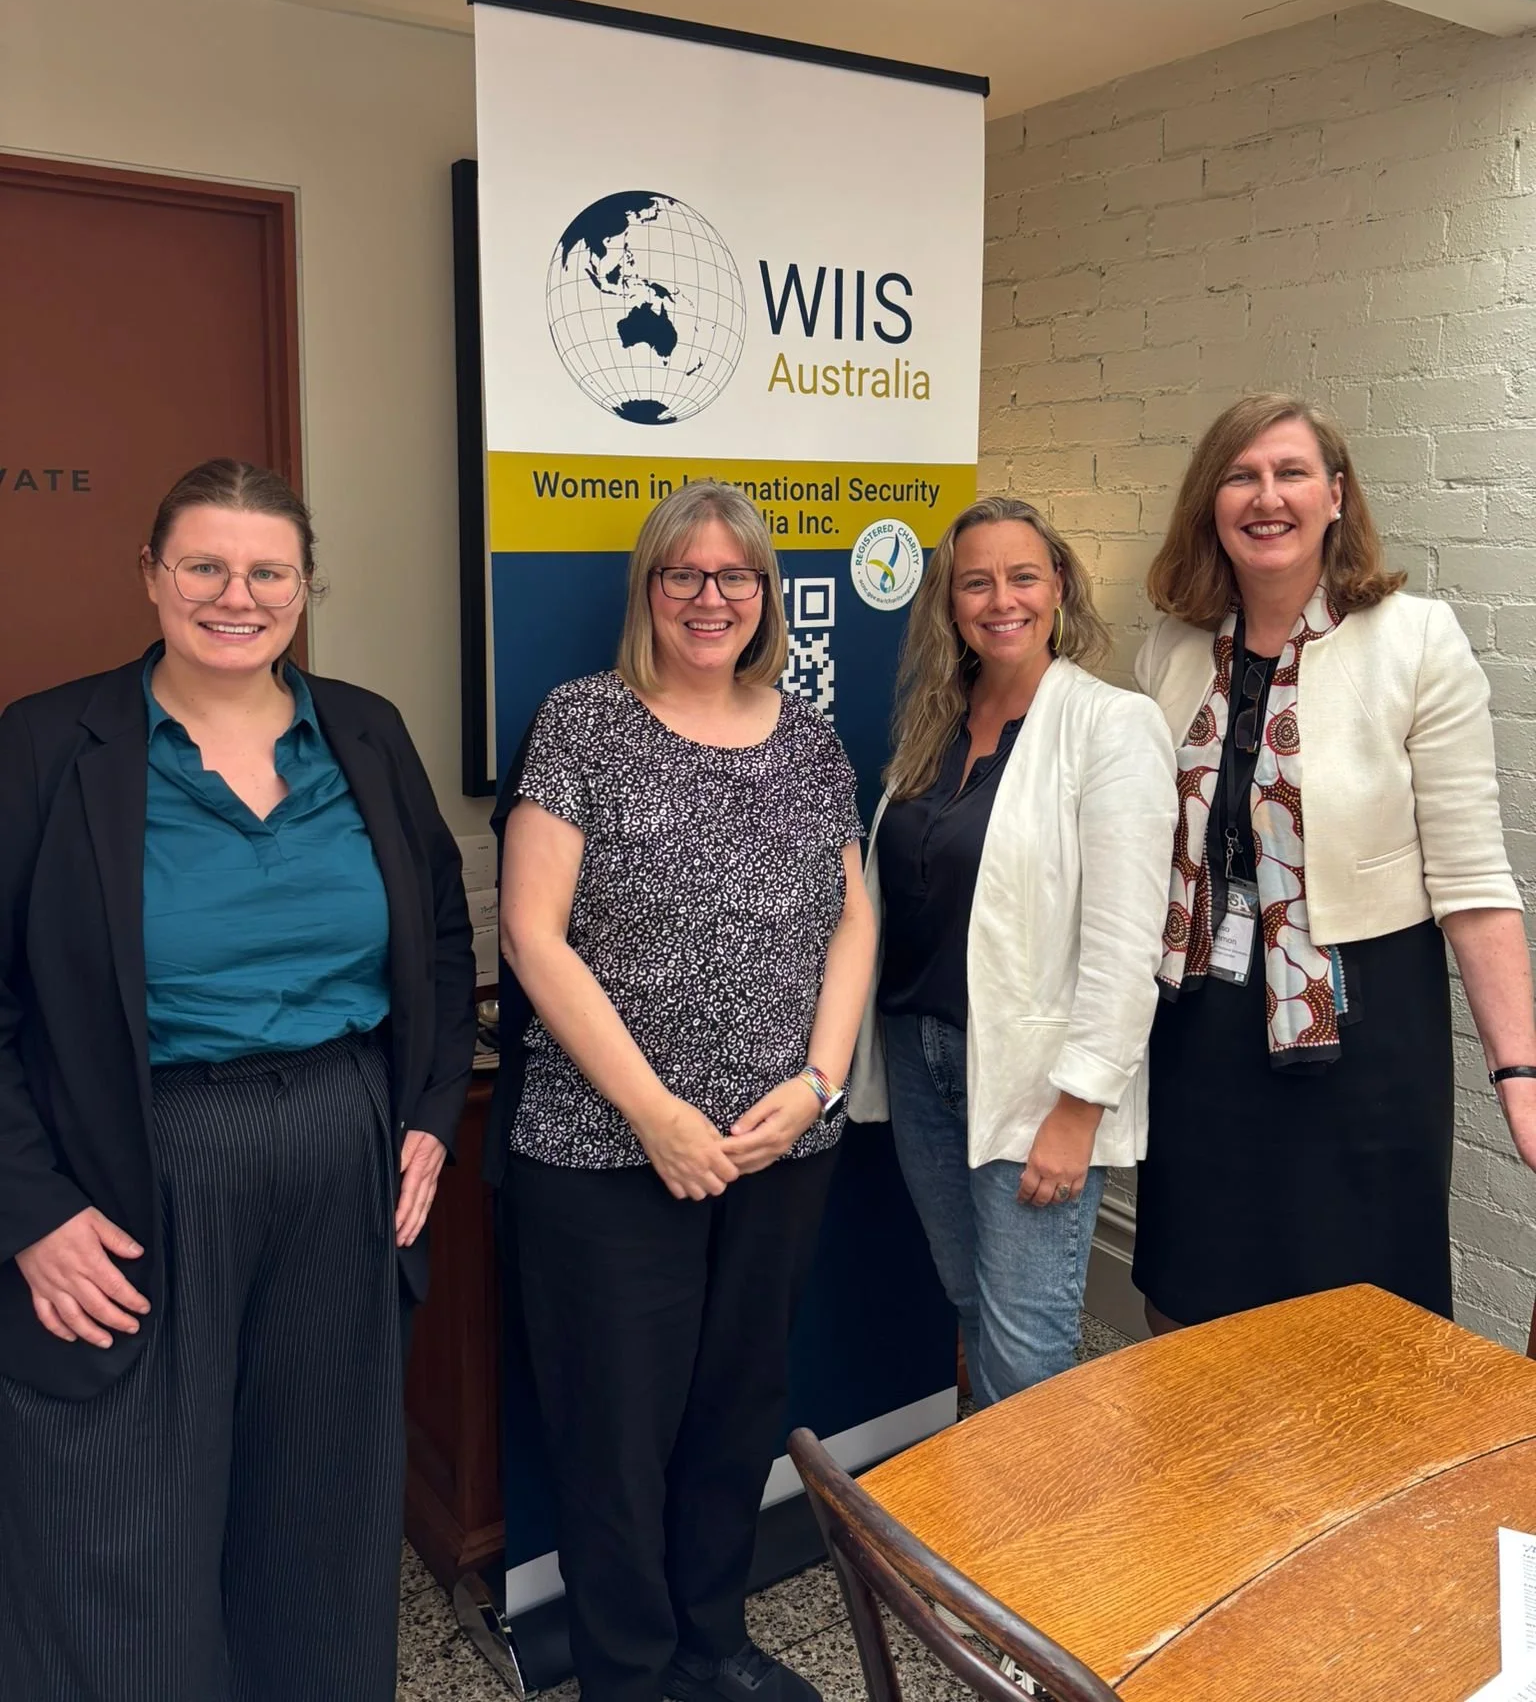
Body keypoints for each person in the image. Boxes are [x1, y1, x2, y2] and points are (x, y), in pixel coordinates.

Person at [0, 458, 476, 1702]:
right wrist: (31, 1209)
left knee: (319, 1501)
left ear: (305, 586)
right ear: (151, 575)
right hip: (136, 1158)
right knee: (124, 1520)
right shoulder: (48, 744)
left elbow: (437, 930)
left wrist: (430, 1113)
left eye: (269, 571)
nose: (237, 595)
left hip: (342, 1144)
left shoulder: (363, 729)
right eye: (204, 565)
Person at [497, 480, 874, 1702]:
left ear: (765, 593)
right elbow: (531, 933)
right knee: (615, 1433)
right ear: (649, 589)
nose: (710, 597)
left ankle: (712, 1639)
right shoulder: (584, 722)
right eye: (684, 574)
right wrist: (656, 1113)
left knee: (735, 1408)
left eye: (735, 575)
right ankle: (629, 1669)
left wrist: (820, 1082)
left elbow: (854, 921)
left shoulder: (810, 737)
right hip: (606, 1154)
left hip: (777, 1151)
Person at [1134, 392, 1536, 1332]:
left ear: (1336, 496)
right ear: (1210, 502)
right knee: (1194, 1307)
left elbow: (1473, 883)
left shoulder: (1415, 641)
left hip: (1361, 1035)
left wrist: (1518, 1071)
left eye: (1291, 472)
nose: (1266, 497)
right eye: (1240, 476)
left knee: (1359, 1328)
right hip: (1199, 1030)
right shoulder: (1171, 651)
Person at [847, 498, 1177, 1407]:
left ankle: (1035, 1506)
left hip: (1037, 1082)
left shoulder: (1111, 725)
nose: (1002, 601)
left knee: (1027, 1346)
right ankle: (986, 1494)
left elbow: (1126, 940)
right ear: (949, 602)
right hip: (919, 1057)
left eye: (1023, 577)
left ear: (1058, 586)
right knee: (971, 1302)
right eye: (976, 583)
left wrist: (1079, 1110)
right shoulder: (935, 723)